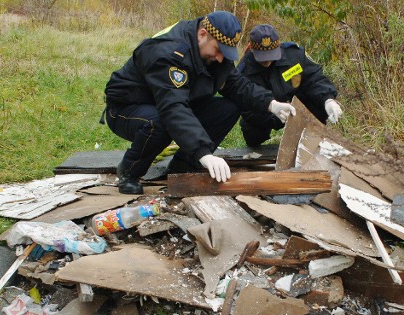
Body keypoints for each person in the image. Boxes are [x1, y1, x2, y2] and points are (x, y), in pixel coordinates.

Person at [103, 11, 296, 194]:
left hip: (171, 101)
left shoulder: (212, 49)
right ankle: (129, 171)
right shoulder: (169, 53)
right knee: (159, 123)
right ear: (202, 34)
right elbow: (173, 108)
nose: (221, 57)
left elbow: (236, 84)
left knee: (229, 108)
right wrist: (203, 152)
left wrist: (271, 104)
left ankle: (182, 167)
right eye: (219, 50)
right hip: (126, 108)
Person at [237, 24, 343, 147]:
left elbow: (314, 78)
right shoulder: (244, 70)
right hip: (266, 111)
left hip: (295, 103)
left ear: (278, 47)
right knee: (252, 135)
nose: (267, 61)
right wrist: (271, 115)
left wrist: (328, 99)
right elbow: (246, 106)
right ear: (251, 49)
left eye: (271, 55)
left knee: (318, 103)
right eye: (262, 57)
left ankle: (313, 141)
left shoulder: (294, 55)